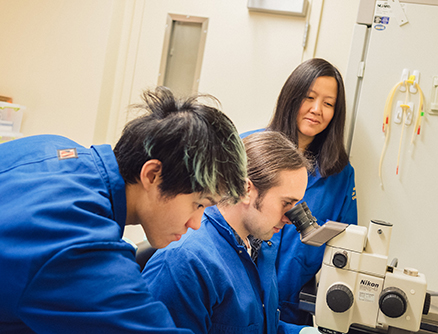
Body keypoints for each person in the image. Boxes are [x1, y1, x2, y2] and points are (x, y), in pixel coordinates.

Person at [0, 86, 248, 334]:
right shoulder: (79, 245)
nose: (195, 223)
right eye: (199, 204)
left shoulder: (52, 147)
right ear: (152, 175)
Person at [142, 131, 318, 334]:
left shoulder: (260, 247)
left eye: (296, 205)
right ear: (245, 190)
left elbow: (258, 326)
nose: (290, 218)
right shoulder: (187, 263)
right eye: (286, 203)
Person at [241, 58, 358, 325]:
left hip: (292, 308)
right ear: (292, 98)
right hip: (238, 294)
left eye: (328, 104)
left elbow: (347, 244)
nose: (317, 110)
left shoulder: (340, 174)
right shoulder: (247, 148)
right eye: (309, 97)